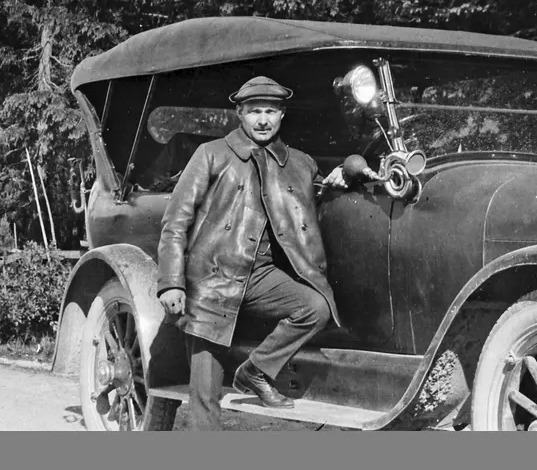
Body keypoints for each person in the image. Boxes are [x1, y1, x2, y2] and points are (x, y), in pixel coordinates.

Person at [156, 75, 376, 430]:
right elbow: (175, 221)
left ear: (282, 115)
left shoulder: (300, 163)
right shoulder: (211, 154)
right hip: (211, 281)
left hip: (261, 278)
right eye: (255, 111)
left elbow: (318, 196)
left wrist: (341, 175)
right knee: (205, 399)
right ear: (240, 114)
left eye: (270, 112)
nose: (262, 120)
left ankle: (256, 370)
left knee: (315, 307)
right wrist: (171, 282)